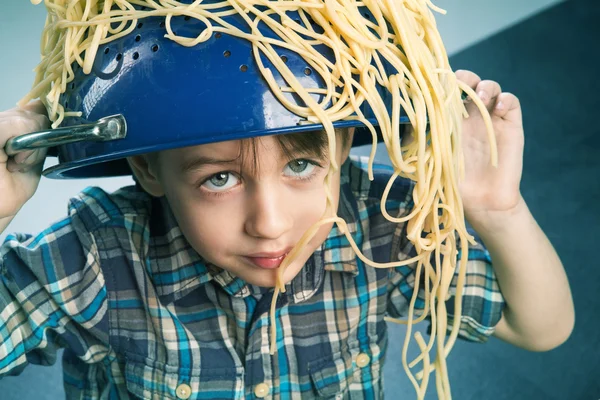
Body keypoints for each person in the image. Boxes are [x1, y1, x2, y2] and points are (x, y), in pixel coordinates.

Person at [0, 5, 574, 400]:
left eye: (301, 166)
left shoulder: (382, 225)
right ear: (148, 167)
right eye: (219, 180)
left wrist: (497, 211)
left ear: (343, 144)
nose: (270, 224)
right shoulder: (97, 256)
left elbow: (539, 327)